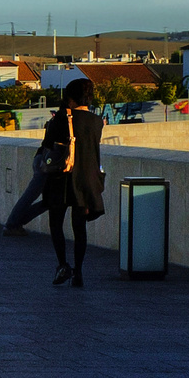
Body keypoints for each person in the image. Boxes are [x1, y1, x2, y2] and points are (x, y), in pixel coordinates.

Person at [43, 77, 105, 288]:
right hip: (86, 180)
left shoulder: (63, 118)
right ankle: (79, 272)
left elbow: (48, 145)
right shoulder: (97, 122)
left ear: (70, 97)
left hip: (62, 177)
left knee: (56, 223)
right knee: (79, 228)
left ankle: (63, 265)